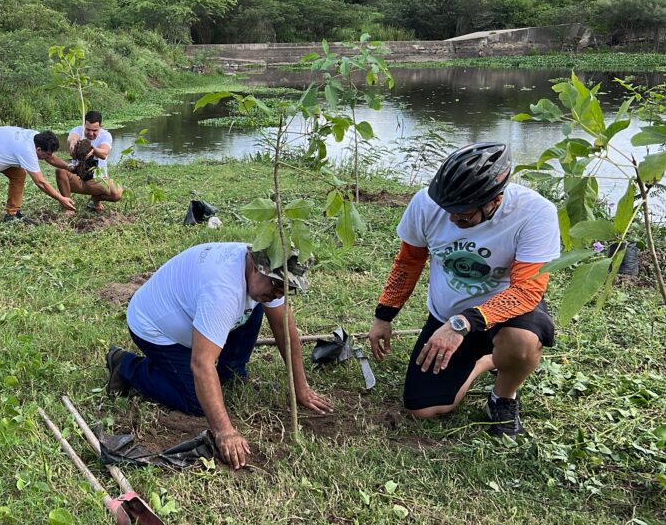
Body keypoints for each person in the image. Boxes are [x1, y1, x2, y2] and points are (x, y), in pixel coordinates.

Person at [367, 142, 560, 436]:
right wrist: (384, 315)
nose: (451, 220)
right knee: (422, 408)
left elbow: (525, 292)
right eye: (447, 210)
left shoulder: (535, 213)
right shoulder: (426, 203)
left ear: (494, 200)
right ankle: (487, 361)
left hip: (508, 313)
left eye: (463, 216)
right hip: (448, 314)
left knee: (521, 342)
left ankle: (503, 396)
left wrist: (461, 324)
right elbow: (408, 263)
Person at [106, 243, 334, 469]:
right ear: (255, 268)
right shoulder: (223, 291)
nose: (278, 293)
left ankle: (230, 371)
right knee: (197, 403)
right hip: (155, 328)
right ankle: (126, 366)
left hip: (195, 314)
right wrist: (225, 431)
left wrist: (301, 387)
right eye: (277, 285)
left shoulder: (269, 275)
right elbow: (201, 363)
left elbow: (284, 329)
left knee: (258, 302)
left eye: (286, 289)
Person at [0, 127, 76, 233]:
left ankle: (12, 213)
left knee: (19, 175)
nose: (49, 156)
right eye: (47, 154)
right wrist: (61, 199)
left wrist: (68, 167)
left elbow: (50, 158)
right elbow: (41, 182)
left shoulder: (37, 138)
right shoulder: (27, 150)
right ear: (38, 149)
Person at [55, 110, 122, 212]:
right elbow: (72, 138)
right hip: (78, 177)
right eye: (88, 129)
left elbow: (104, 152)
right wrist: (73, 144)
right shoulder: (78, 130)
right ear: (84, 125)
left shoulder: (106, 135)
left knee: (117, 194)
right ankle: (68, 207)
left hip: (97, 179)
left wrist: (93, 150)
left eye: (95, 131)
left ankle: (96, 199)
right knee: (60, 170)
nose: (91, 133)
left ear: (100, 126)